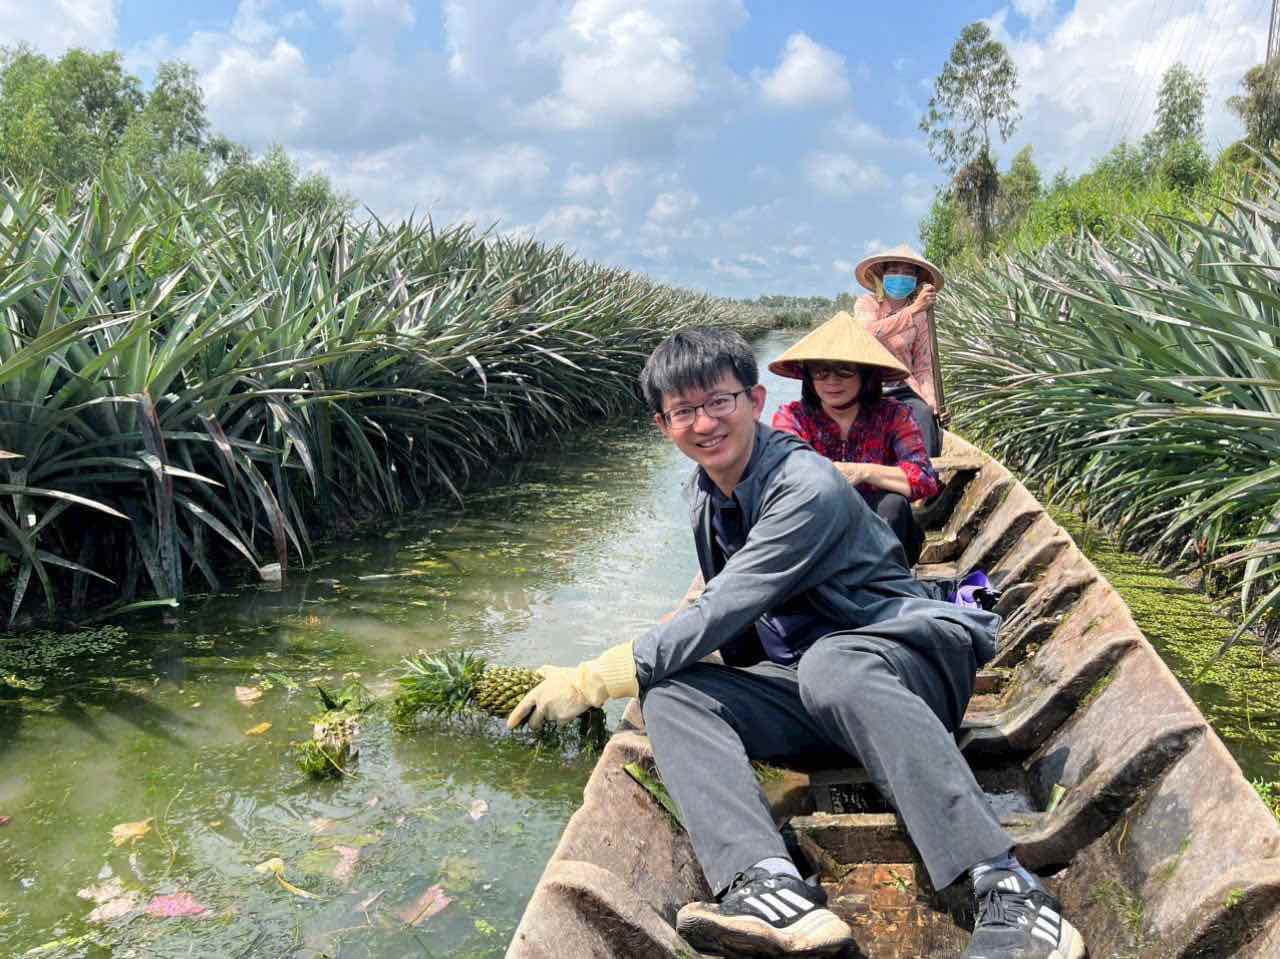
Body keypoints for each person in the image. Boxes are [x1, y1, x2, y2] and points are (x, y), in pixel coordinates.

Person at [506, 328, 1086, 959]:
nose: (704, 423)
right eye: (683, 411)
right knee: (673, 695)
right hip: (817, 688)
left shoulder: (805, 484)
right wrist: (667, 658)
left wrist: (593, 678)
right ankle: (768, 885)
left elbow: (729, 602)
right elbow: (727, 614)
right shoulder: (703, 495)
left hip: (906, 671)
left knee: (832, 663)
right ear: (663, 425)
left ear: (755, 400)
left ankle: (1006, 886)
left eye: (719, 401)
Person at [769, 311, 939, 566]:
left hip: (882, 532)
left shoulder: (894, 415)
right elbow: (784, 474)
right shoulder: (792, 417)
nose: (831, 381)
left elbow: (924, 479)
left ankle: (884, 582)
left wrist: (863, 472)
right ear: (809, 377)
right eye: (820, 372)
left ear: (865, 374)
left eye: (844, 371)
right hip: (818, 528)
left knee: (894, 505)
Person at [853, 243, 946, 457]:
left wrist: (931, 403)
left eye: (907, 272)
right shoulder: (867, 304)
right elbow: (866, 332)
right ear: (883, 275)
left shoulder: (921, 318)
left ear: (916, 280)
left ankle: (924, 471)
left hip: (903, 389)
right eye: (894, 270)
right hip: (867, 388)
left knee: (924, 415)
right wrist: (912, 310)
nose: (900, 276)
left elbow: (923, 367)